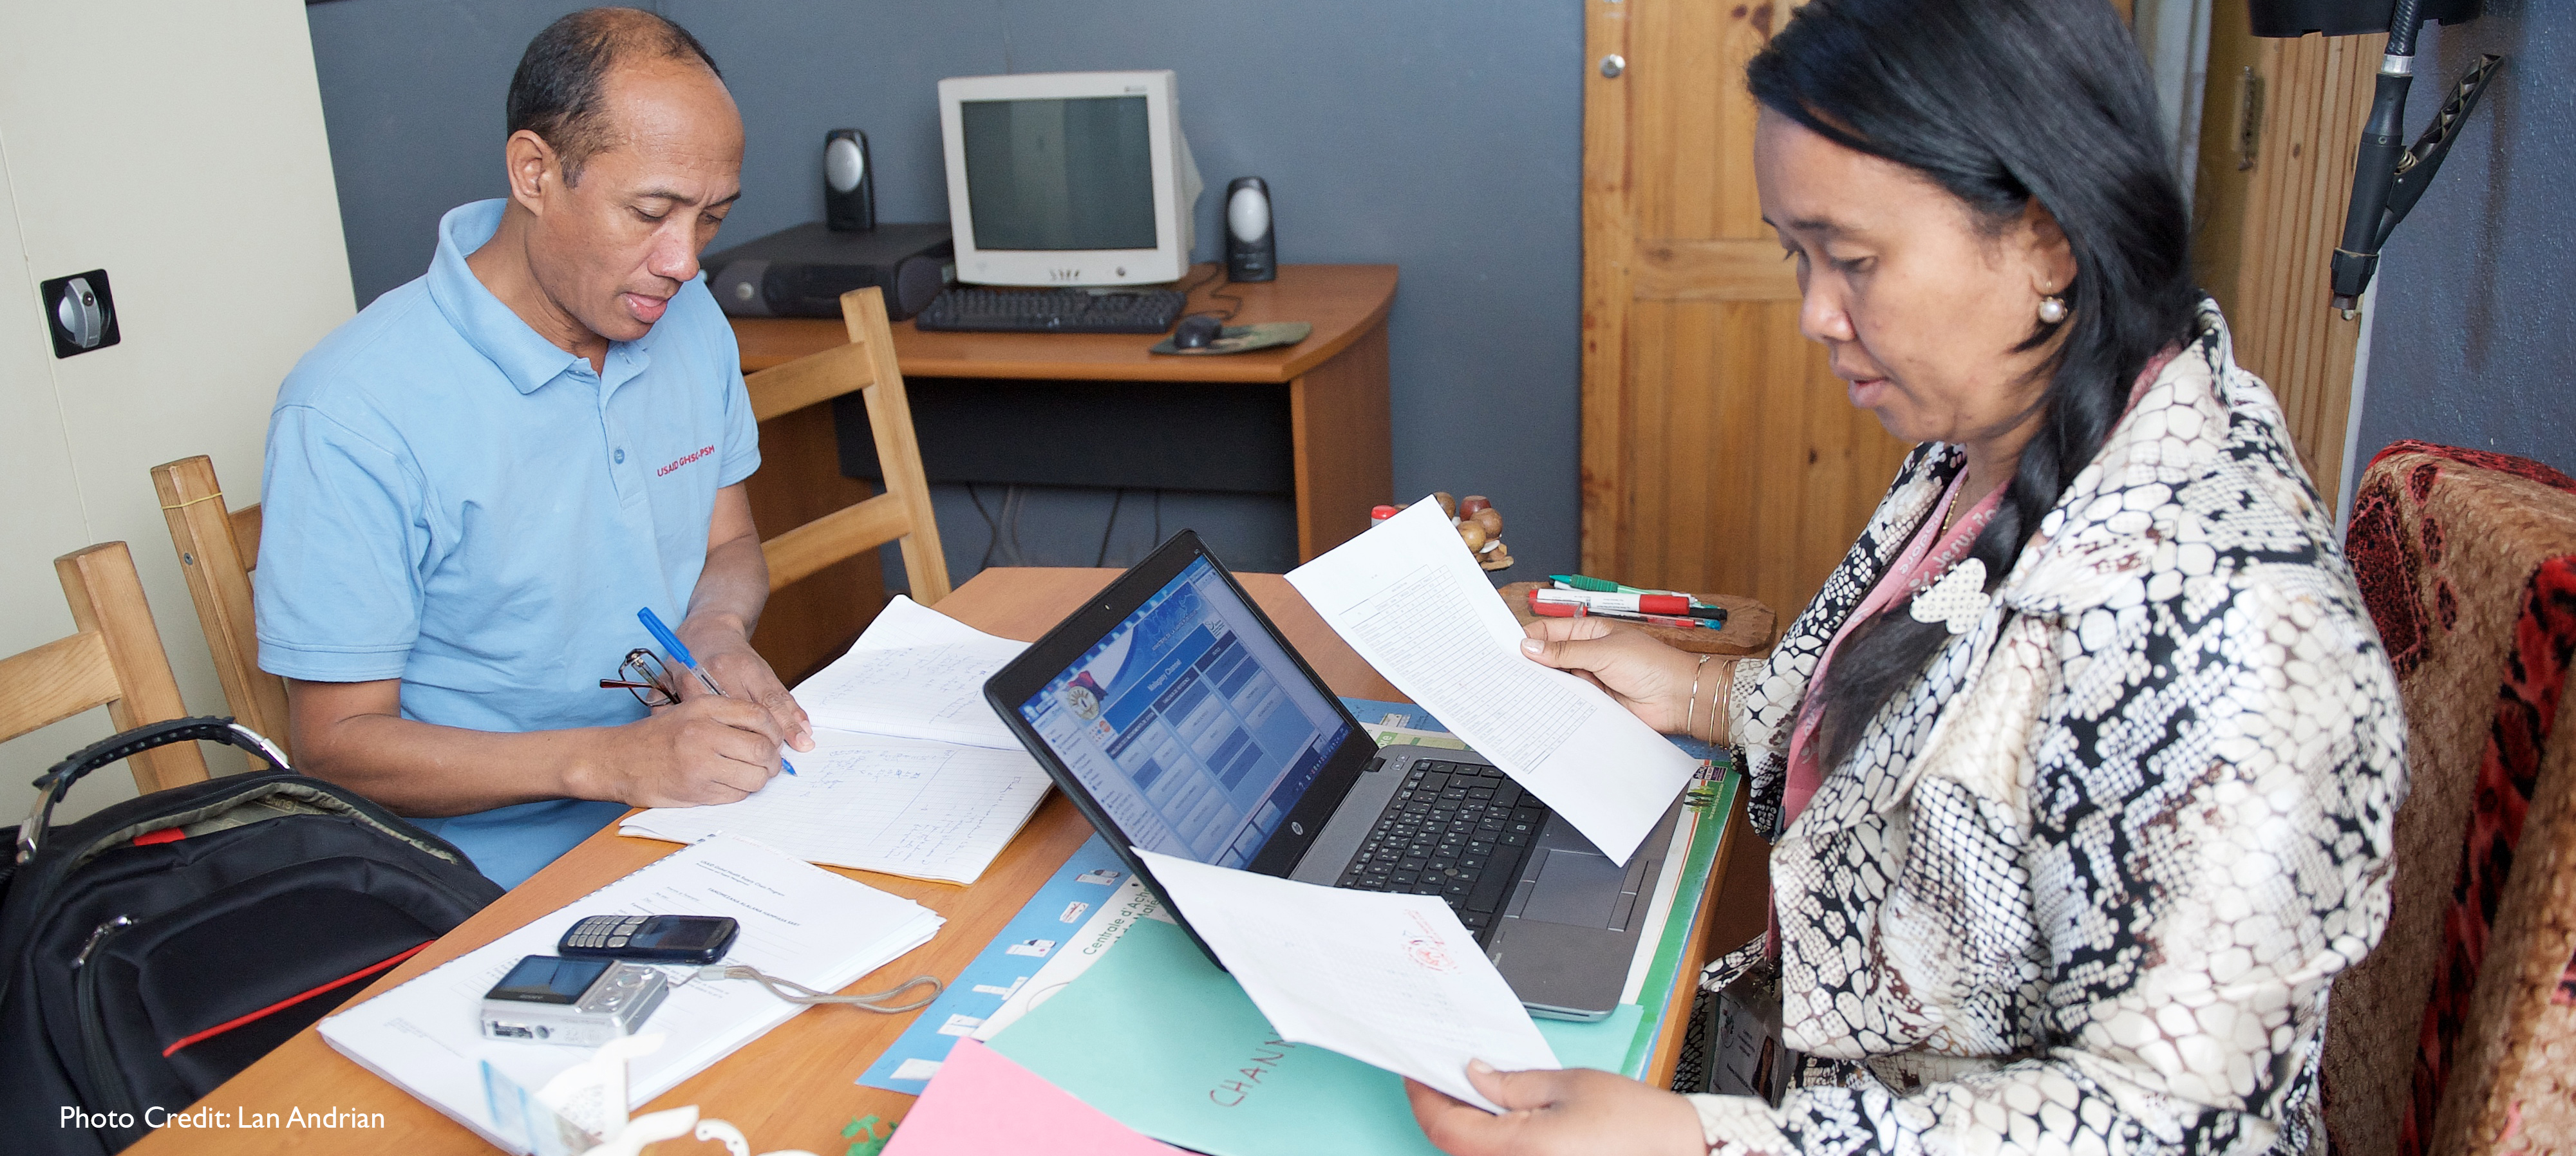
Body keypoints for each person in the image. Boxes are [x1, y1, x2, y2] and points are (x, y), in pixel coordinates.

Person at [1407, 1, 2405, 1152]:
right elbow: (1940, 720)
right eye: (1798, 255)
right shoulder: (2000, 433)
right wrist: (1699, 695)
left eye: (1854, 261)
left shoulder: (2223, 621)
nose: (1813, 316)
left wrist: (1699, 1143)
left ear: (2046, 238)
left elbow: (2170, 1120)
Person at [256, 8, 813, 890]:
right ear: (535, 172)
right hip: (480, 883)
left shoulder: (686, 317)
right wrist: (612, 763)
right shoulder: (351, 409)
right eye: (650, 213)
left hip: (688, 815)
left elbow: (728, 544)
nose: (684, 261)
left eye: (710, 219)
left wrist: (712, 629)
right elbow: (335, 749)